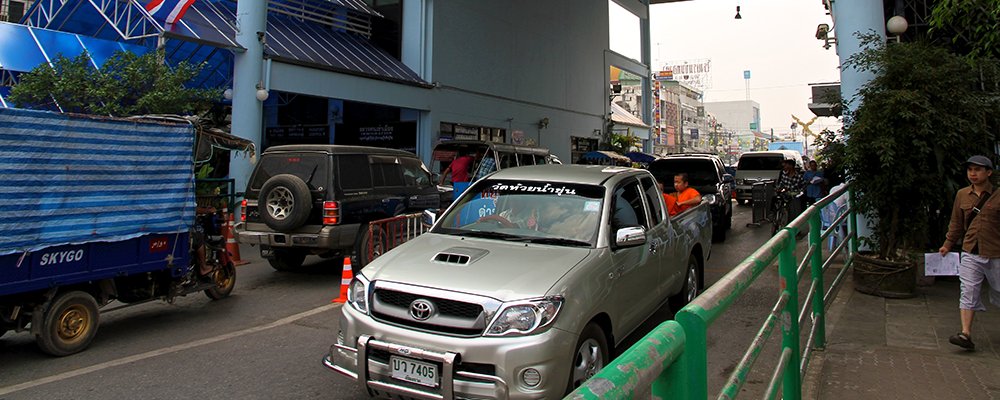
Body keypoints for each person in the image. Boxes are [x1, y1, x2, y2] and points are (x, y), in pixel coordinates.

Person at [938, 155, 999, 350]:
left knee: (999, 291)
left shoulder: (998, 195)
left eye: (978, 169)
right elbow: (956, 222)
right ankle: (965, 333)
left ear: (988, 172)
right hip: (970, 251)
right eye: (970, 169)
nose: (973, 173)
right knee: (968, 290)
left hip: (996, 252)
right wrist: (948, 244)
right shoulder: (962, 195)